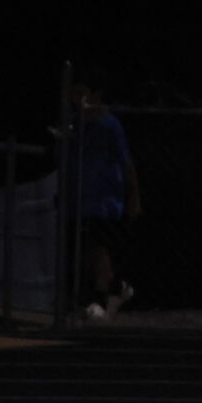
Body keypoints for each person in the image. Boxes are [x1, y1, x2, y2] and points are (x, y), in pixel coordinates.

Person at [72, 77, 139, 321]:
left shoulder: (110, 126)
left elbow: (126, 162)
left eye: (81, 93)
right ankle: (116, 287)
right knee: (89, 249)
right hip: (84, 196)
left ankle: (100, 298)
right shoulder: (78, 124)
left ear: (96, 95)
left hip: (105, 199)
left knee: (99, 247)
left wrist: (133, 196)